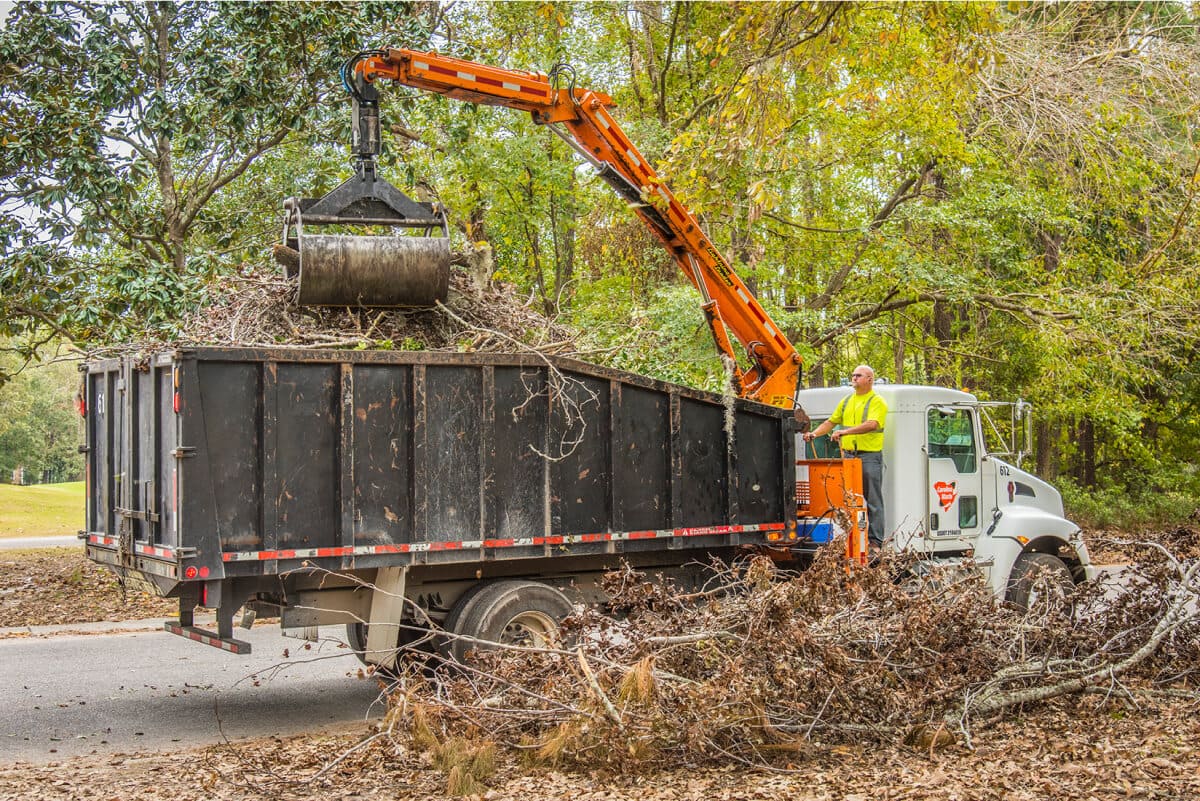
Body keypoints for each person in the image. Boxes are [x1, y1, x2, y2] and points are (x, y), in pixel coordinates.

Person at [802, 365, 888, 549]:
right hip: (849, 457)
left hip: (869, 457)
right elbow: (830, 422)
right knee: (848, 500)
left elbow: (872, 424)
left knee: (873, 499)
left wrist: (844, 432)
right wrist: (814, 434)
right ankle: (848, 536)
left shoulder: (877, 401)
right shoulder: (848, 400)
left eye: (859, 375)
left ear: (869, 379)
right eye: (853, 375)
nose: (854, 378)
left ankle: (875, 541)